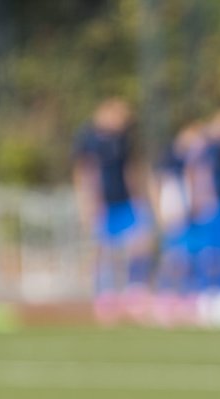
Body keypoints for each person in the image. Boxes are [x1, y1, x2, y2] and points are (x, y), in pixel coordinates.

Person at [72, 97, 155, 325]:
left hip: (126, 201)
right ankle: (105, 297)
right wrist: (88, 203)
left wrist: (141, 199)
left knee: (139, 245)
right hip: (103, 204)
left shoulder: (124, 139)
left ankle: (135, 292)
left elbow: (132, 170)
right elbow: (85, 173)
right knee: (103, 250)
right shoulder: (88, 139)